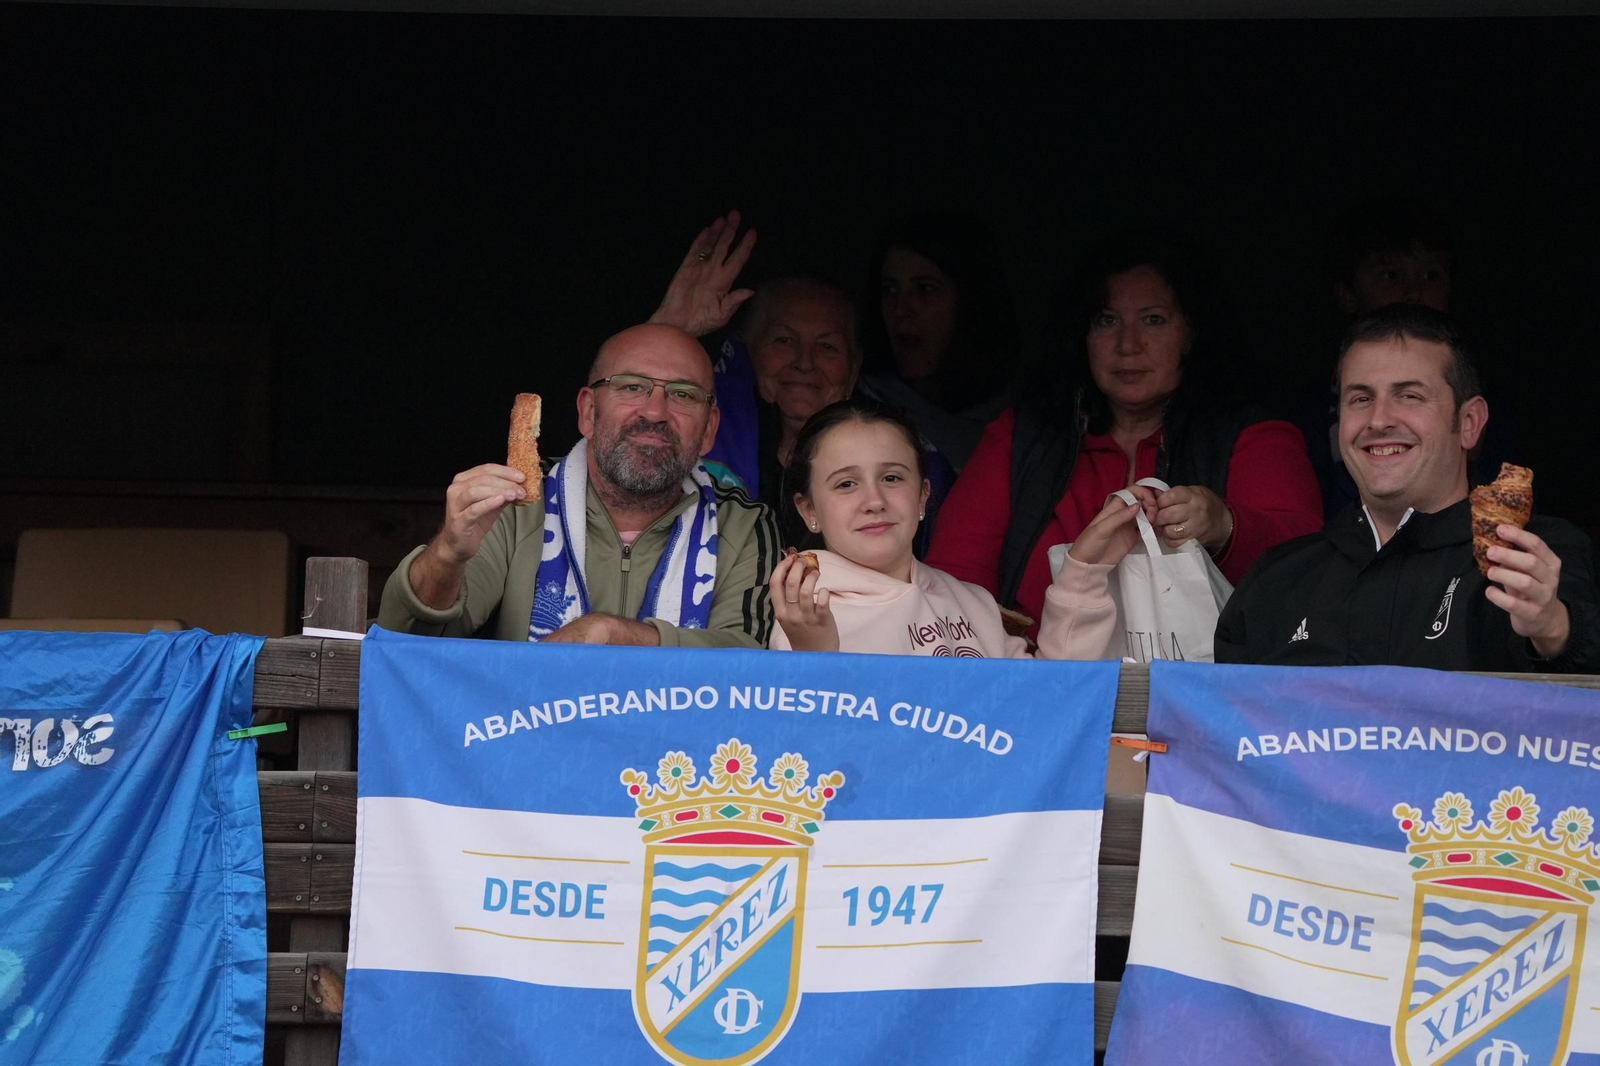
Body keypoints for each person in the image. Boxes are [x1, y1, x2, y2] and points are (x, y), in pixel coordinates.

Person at [926, 231, 1323, 641]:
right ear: (1082, 337)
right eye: (1107, 320)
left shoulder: (1251, 436)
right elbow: (951, 585)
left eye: (1154, 319)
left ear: (1192, 332)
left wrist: (1224, 526)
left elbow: (1310, 575)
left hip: (1200, 696)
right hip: (1038, 687)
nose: (1127, 345)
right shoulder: (1021, 438)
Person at [1216, 304, 1599, 672]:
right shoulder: (1277, 578)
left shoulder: (1534, 558)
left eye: (1410, 396)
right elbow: (1219, 729)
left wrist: (1554, 629)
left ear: (1468, 423)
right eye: (1361, 398)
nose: (1378, 420)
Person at [376, 323, 780, 647]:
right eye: (632, 386)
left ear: (710, 429)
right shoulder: (515, 501)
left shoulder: (741, 523)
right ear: (588, 411)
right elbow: (410, 642)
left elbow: (744, 659)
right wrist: (448, 553)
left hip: (679, 751)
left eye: (683, 394)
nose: (655, 411)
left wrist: (612, 634)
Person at [650, 212, 953, 554]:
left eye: (827, 346)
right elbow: (611, 443)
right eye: (783, 340)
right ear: (752, 351)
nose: (804, 362)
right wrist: (669, 328)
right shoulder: (701, 421)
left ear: (854, 370)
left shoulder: (901, 459)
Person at [767, 397, 1154, 659]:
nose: (874, 500)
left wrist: (1082, 572)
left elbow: (1042, 709)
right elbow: (818, 752)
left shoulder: (973, 603)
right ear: (808, 509)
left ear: (923, 496)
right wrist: (814, 658)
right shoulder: (806, 614)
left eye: (892, 478)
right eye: (846, 484)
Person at [860, 210, 1019, 472]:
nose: (901, 308)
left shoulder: (1022, 426)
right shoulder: (857, 408)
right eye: (889, 290)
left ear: (970, 301)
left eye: (924, 288)